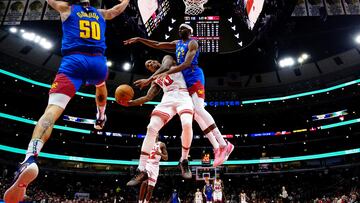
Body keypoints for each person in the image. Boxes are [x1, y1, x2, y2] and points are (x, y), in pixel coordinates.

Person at [3, 0, 130, 202]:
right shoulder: (100, 13)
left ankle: (30, 158)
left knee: (51, 112)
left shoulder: (67, 8)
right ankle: (101, 116)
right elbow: (116, 11)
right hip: (98, 61)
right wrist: (126, 1)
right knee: (101, 84)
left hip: (74, 61)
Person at [124, 23, 234, 167]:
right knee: (197, 115)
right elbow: (157, 44)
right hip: (185, 83)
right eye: (179, 28)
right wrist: (140, 39)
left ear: (190, 31)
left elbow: (186, 64)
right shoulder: (176, 44)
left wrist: (157, 76)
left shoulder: (191, 43)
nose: (180, 29)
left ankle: (223, 144)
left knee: (200, 109)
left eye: (184, 28)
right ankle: (216, 147)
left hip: (194, 76)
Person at [122, 55, 194, 186]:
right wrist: (129, 103)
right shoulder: (156, 80)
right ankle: (141, 169)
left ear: (156, 61)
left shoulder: (167, 60)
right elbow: (147, 97)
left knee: (187, 123)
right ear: (149, 69)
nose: (150, 63)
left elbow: (165, 67)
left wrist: (148, 80)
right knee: (151, 128)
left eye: (150, 61)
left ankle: (183, 160)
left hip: (183, 95)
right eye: (147, 65)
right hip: (167, 99)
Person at [138, 137, 168, 203]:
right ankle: (140, 201)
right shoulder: (147, 142)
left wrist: (160, 153)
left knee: (150, 189)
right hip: (147, 164)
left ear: (158, 134)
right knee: (144, 182)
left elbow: (166, 157)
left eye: (157, 132)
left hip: (155, 167)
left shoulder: (161, 144)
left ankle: (146, 202)